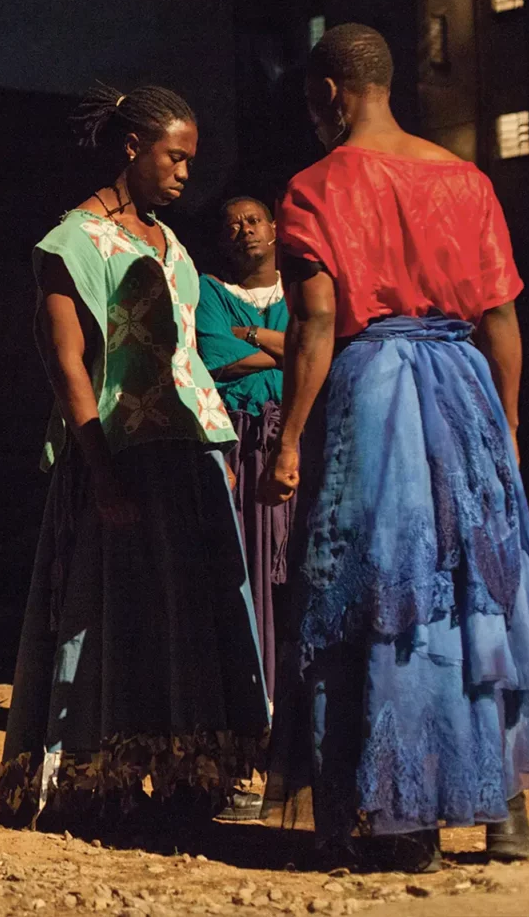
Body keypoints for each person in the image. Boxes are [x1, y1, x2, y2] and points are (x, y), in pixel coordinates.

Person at [260, 24, 529, 872]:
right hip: (464, 389)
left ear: (332, 94)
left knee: (378, 594)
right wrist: (512, 426)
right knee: (475, 586)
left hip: (375, 391)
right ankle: (505, 814)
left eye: (316, 102)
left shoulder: (314, 187)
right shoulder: (466, 180)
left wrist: (291, 439)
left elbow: (314, 325)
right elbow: (502, 319)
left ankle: (399, 814)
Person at [0, 85, 270, 832]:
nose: (185, 173)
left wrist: (220, 445)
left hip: (189, 455)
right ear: (132, 147)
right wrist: (100, 468)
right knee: (116, 619)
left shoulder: (171, 243)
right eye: (175, 156)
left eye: (191, 160)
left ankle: (189, 779)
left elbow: (188, 356)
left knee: (193, 618)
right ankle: (105, 781)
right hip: (121, 452)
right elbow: (67, 363)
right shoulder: (72, 242)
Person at [195, 197, 293, 706]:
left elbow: (323, 352)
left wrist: (250, 335)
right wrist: (287, 347)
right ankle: (252, 701)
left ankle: (291, 701)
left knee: (291, 569)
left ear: (274, 229)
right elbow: (213, 356)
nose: (244, 231)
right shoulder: (209, 291)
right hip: (239, 444)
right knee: (244, 567)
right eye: (232, 224)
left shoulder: (300, 289)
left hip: (294, 442)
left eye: (253, 220)